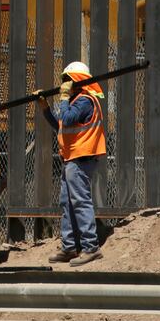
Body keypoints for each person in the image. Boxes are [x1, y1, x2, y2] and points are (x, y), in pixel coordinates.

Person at [38, 60, 107, 267]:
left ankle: (90, 247)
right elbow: (60, 124)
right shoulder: (76, 100)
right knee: (67, 203)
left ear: (77, 81)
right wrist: (45, 108)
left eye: (68, 80)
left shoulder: (85, 100)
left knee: (80, 201)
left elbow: (67, 119)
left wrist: (64, 97)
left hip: (81, 159)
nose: (64, 83)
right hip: (72, 159)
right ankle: (69, 247)